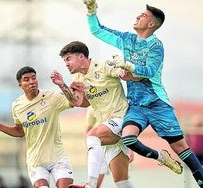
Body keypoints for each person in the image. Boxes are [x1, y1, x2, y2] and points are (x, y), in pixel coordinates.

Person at [83, 1, 203, 187]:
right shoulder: (127, 40)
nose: (138, 17)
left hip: (157, 104)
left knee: (180, 147)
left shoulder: (156, 46)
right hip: (136, 106)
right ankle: (160, 157)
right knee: (128, 138)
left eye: (143, 16)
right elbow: (97, 30)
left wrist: (128, 66)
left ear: (151, 24)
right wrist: (91, 11)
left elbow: (150, 70)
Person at [51, 41, 136, 188]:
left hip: (122, 118)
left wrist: (125, 72)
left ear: (81, 57)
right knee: (122, 182)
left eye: (68, 59)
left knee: (92, 136)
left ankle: (90, 183)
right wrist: (62, 85)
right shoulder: (78, 78)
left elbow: (126, 74)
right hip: (108, 125)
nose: (66, 63)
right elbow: (80, 103)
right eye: (64, 60)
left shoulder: (103, 66)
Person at [0, 66, 79, 188]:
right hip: (36, 162)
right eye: (26, 79)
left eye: (34, 78)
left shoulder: (51, 97)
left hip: (58, 157)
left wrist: (61, 85)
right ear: (20, 85)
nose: (31, 82)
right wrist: (0, 126)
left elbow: (74, 102)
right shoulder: (17, 106)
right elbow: (20, 131)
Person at [84, 106, 134, 188]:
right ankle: (91, 182)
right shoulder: (92, 108)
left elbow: (128, 128)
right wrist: (89, 147)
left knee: (122, 181)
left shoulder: (118, 103)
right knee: (95, 185)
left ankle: (91, 182)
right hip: (100, 148)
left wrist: (131, 149)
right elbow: (88, 129)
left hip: (118, 144)